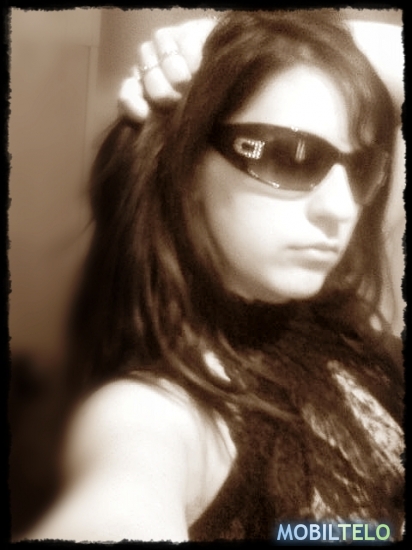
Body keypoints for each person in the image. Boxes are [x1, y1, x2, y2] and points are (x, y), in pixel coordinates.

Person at [19, 9, 404, 543]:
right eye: (290, 157)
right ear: (187, 165)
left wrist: (242, 31)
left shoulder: (343, 334)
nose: (341, 208)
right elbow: (120, 498)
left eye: (360, 169)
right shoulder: (158, 413)